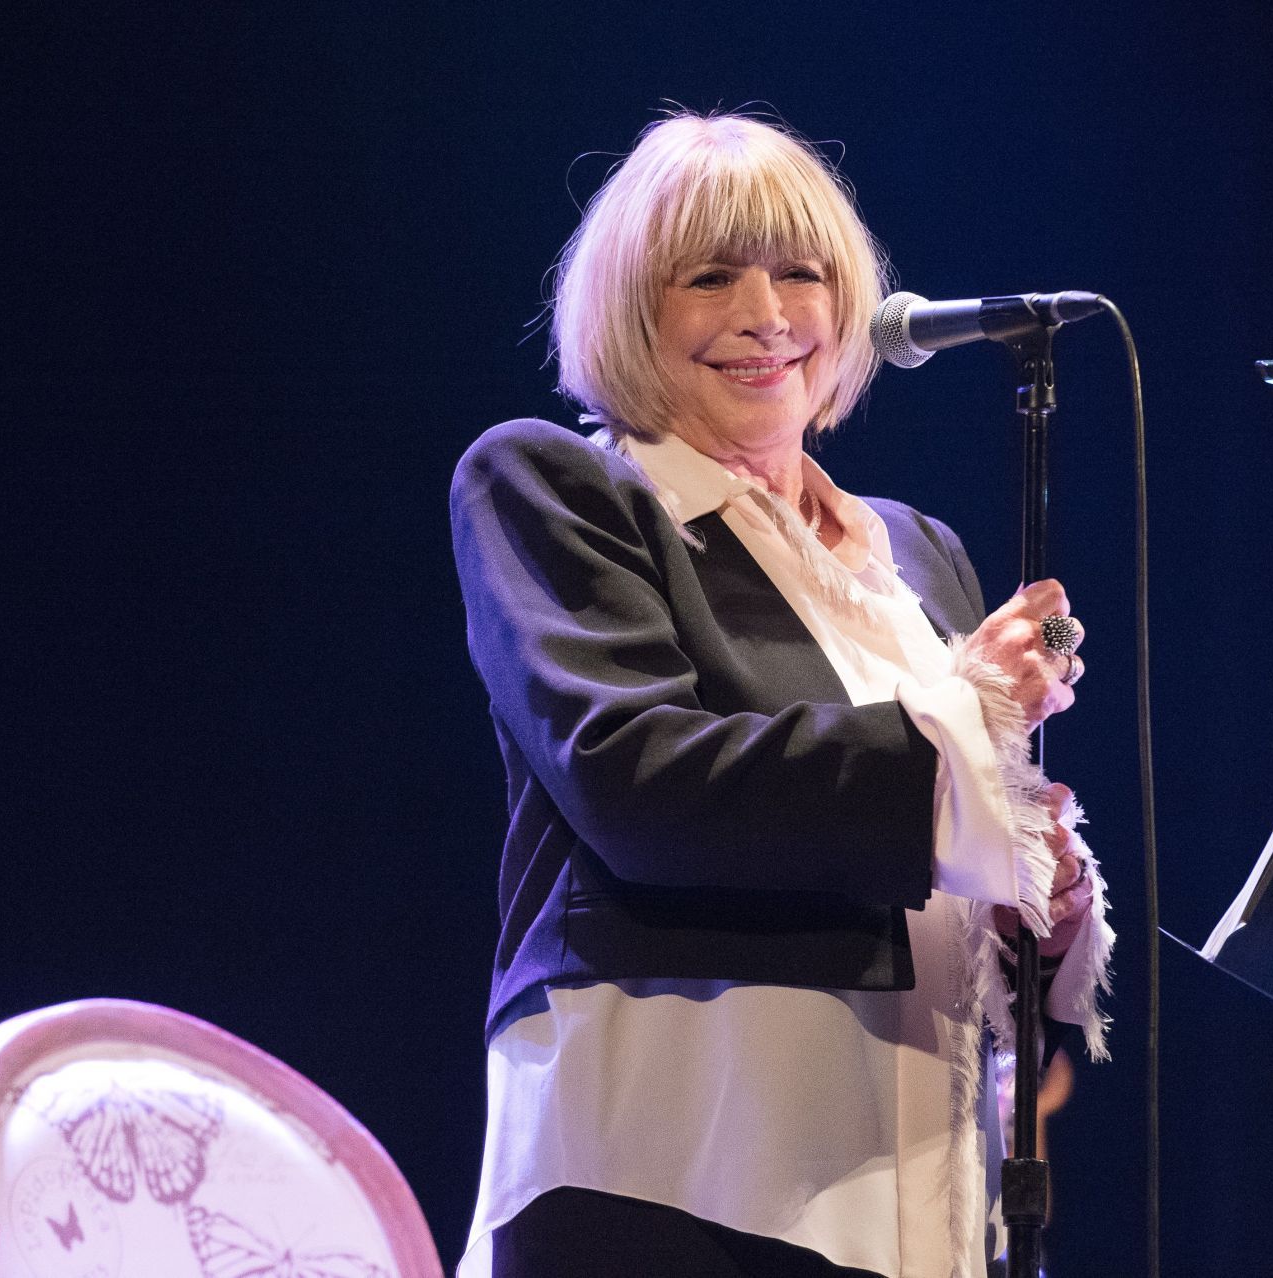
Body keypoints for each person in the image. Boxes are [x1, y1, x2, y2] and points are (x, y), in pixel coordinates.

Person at [449, 110, 1113, 1278]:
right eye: (711, 278)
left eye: (800, 273)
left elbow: (941, 840)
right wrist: (960, 722)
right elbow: (637, 782)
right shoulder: (562, 490)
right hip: (672, 1168)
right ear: (631, 311)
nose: (767, 316)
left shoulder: (917, 555)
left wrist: (1036, 886)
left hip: (908, 1186)